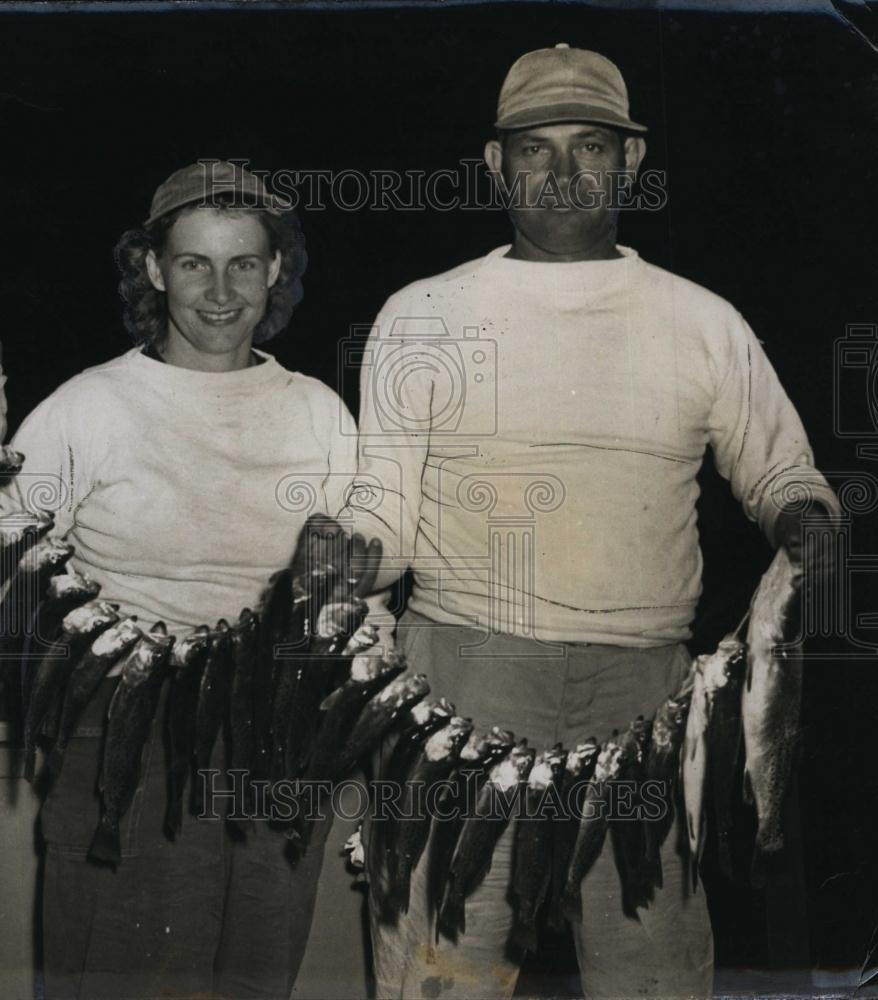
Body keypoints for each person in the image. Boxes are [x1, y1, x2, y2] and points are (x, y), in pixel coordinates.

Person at [342, 44, 841, 999]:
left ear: (631, 162)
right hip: (462, 686)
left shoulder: (703, 321)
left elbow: (780, 468)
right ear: (497, 166)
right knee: (441, 972)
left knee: (652, 975)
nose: (564, 173)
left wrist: (805, 520)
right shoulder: (423, 314)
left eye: (590, 146)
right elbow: (384, 510)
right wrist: (348, 554)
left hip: (648, 696)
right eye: (536, 149)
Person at [0, 160, 375, 1000]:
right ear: (151, 268)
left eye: (244, 263)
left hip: (276, 735)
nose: (220, 291)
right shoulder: (91, 406)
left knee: (256, 973)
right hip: (124, 730)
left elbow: (359, 585)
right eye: (192, 263)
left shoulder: (319, 410)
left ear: (276, 268)